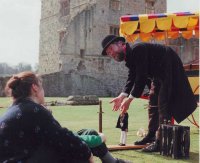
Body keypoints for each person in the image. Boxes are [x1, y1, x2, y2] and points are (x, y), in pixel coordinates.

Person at [0, 71, 130, 163]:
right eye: (41, 87)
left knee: (87, 133)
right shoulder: (34, 110)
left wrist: (91, 139)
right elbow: (65, 140)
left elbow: (59, 135)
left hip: (27, 156)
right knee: (78, 150)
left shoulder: (16, 109)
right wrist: (89, 151)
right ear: (34, 88)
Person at [101, 35, 197, 152]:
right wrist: (122, 96)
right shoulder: (130, 56)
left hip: (169, 67)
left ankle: (160, 142)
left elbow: (140, 77)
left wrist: (129, 100)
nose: (111, 53)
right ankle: (152, 136)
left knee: (163, 104)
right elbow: (132, 77)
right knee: (153, 102)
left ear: (121, 44)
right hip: (158, 74)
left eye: (111, 49)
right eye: (108, 52)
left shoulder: (138, 49)